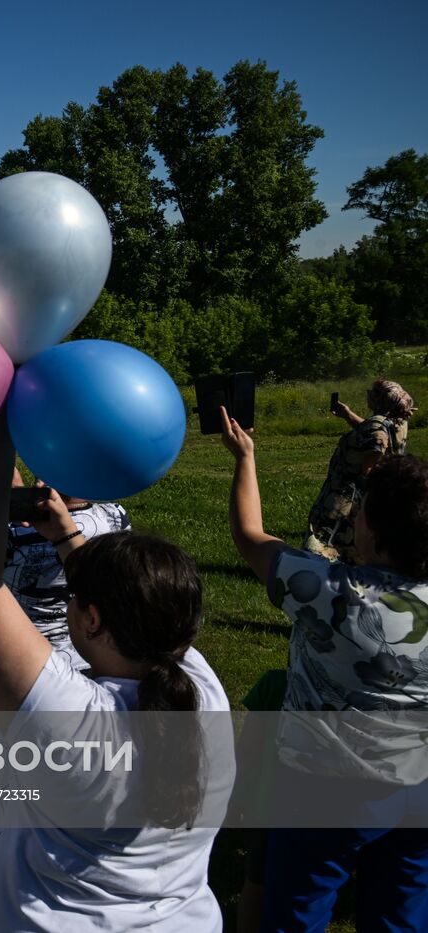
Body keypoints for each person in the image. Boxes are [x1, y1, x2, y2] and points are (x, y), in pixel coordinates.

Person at [0, 414, 232, 930]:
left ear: (93, 619)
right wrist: (67, 537)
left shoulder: (72, 721)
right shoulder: (203, 691)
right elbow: (130, 600)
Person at [222, 406, 428, 931]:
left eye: (362, 513)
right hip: (418, 784)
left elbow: (250, 535)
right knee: (402, 912)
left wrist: (245, 458)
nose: (352, 518)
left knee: (299, 910)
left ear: (378, 535)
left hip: (324, 788)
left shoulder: (332, 595)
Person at [4, 468, 131, 671]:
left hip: (23, 665)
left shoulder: (15, 530)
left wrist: (17, 501)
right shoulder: (115, 517)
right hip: (93, 661)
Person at [305, 379, 414, 562]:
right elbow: (374, 432)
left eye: (373, 393)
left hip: (346, 497)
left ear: (380, 400)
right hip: (361, 497)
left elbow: (370, 465)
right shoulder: (396, 422)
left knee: (329, 538)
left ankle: (320, 574)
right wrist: (348, 415)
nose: (368, 395)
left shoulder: (376, 427)